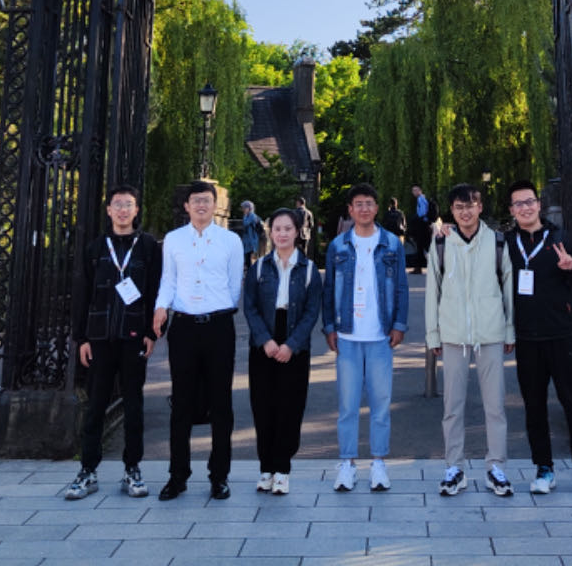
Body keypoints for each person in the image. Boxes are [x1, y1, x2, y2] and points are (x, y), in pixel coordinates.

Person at [61, 183, 161, 501]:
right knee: (96, 406)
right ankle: (87, 470)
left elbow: (157, 291)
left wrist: (152, 332)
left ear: (136, 210)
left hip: (133, 337)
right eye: (117, 204)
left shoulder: (148, 247)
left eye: (128, 204)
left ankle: (132, 468)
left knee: (133, 406)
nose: (122, 210)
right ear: (108, 210)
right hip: (100, 337)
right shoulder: (95, 248)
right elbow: (83, 294)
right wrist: (81, 338)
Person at [152, 180, 245, 501]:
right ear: (187, 206)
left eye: (206, 200)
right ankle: (177, 475)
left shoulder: (231, 241)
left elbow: (234, 284)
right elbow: (168, 279)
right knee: (181, 402)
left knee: (221, 403)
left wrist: (216, 307)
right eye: (195, 201)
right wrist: (161, 307)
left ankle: (219, 475)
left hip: (218, 326)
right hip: (184, 327)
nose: (201, 205)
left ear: (214, 205)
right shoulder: (174, 240)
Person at [504, 180, 572, 498]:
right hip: (528, 338)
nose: (525, 208)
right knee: (534, 407)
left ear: (539, 204)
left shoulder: (560, 237)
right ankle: (544, 468)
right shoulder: (507, 243)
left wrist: (571, 266)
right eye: (518, 204)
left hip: (562, 334)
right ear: (511, 210)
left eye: (529, 201)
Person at [425, 182, 514, 497]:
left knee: (495, 405)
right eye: (459, 207)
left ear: (480, 207)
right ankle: (454, 467)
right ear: (452, 210)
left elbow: (507, 286)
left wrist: (509, 329)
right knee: (452, 406)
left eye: (470, 205)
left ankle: (496, 466)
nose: (465, 212)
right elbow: (432, 290)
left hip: (490, 332)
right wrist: (433, 334)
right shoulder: (441, 243)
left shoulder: (497, 241)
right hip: (453, 334)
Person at [321, 182, 408, 494]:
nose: (364, 209)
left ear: (377, 207)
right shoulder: (338, 246)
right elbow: (329, 289)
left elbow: (401, 287)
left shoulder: (392, 244)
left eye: (369, 203)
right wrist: (329, 327)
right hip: (347, 334)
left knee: (381, 402)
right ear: (350, 210)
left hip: (380, 334)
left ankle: (379, 462)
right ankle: (347, 463)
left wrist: (399, 324)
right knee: (347, 404)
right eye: (358, 204)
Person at [241, 207, 323, 495]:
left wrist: (291, 344)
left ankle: (282, 469)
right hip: (264, 342)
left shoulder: (309, 269)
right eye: (277, 229)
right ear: (270, 232)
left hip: (294, 342)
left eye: (288, 228)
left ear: (297, 232)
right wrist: (265, 340)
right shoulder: (259, 268)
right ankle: (266, 468)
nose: (282, 234)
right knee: (263, 406)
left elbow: (312, 312)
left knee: (290, 406)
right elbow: (249, 307)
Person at [408, 183, 436, 273]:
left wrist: (416, 218)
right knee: (425, 246)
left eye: (416, 190)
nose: (414, 192)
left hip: (422, 225)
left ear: (420, 190)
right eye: (413, 190)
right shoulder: (423, 198)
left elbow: (422, 212)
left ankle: (419, 267)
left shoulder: (421, 199)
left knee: (421, 246)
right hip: (425, 225)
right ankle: (422, 267)